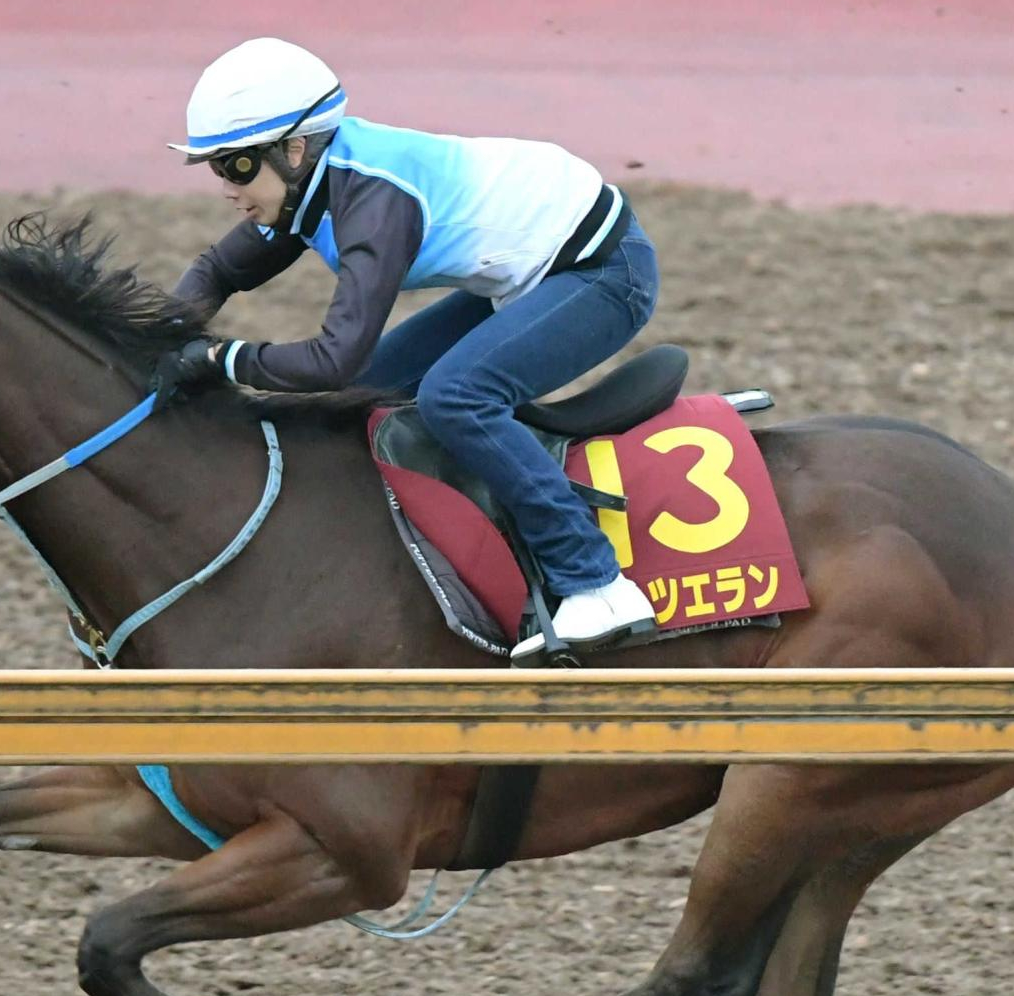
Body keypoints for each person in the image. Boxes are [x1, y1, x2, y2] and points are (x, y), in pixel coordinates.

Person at [154, 37, 659, 662]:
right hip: (531, 266)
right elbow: (215, 271)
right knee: (365, 394)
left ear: (292, 150)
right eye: (214, 167)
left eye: (234, 166)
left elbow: (330, 358)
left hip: (603, 275)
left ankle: (595, 582)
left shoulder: (372, 204)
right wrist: (152, 342)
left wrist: (215, 359)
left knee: (457, 397)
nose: (225, 187)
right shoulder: (312, 179)